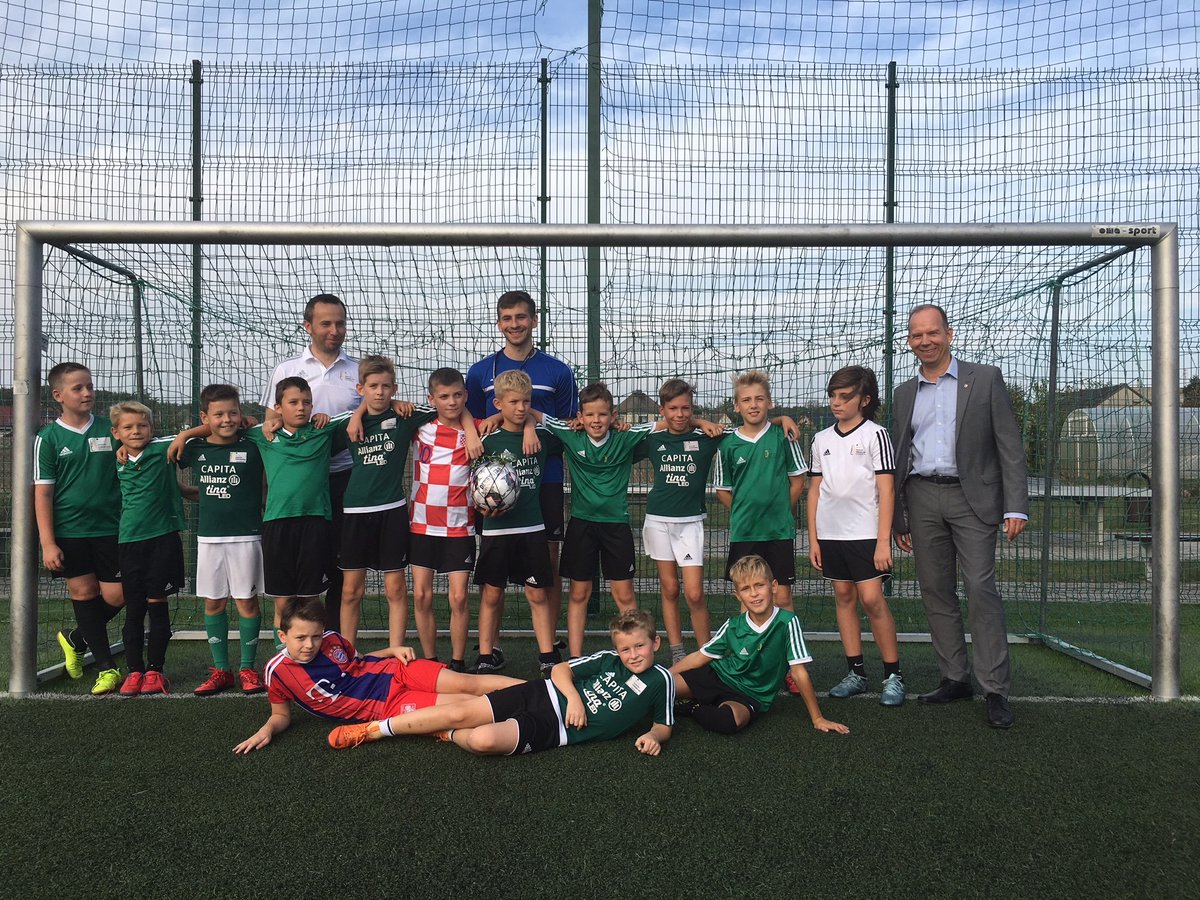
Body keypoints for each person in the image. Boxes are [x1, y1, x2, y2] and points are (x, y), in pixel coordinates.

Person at [892, 303, 1029, 729]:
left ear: (948, 334)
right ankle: (955, 677)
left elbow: (1009, 444)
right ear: (909, 342)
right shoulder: (903, 393)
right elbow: (899, 457)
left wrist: (1016, 504)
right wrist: (900, 515)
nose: (925, 341)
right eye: (917, 335)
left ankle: (995, 689)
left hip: (974, 501)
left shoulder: (984, 378)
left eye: (932, 333)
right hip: (922, 498)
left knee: (981, 590)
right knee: (935, 591)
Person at [327, 608, 674, 758]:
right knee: (462, 711)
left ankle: (442, 734)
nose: (632, 655)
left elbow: (663, 725)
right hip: (544, 694)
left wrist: (652, 736)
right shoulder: (608, 660)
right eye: (626, 648)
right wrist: (576, 699)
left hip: (558, 731)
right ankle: (373, 730)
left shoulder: (662, 681)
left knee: (481, 739)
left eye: (640, 646)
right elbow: (560, 671)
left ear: (655, 643)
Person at [232, 597, 521, 753]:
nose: (310, 645)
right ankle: (526, 717)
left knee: (468, 683)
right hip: (386, 707)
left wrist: (392, 650)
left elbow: (360, 661)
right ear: (283, 636)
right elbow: (281, 715)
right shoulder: (277, 672)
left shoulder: (333, 639)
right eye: (301, 638)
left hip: (397, 670)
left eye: (316, 636)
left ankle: (541, 690)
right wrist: (266, 730)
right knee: (462, 705)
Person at [466, 290, 578, 658]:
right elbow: (470, 418)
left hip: (541, 476)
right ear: (499, 323)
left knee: (547, 558)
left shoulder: (557, 371)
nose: (514, 324)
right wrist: (483, 424)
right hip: (493, 482)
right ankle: (491, 645)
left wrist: (531, 422)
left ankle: (550, 638)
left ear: (533, 320)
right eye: (507, 318)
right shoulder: (481, 371)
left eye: (521, 317)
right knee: (494, 561)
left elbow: (567, 426)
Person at [535, 383, 658, 658]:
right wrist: (530, 427)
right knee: (579, 594)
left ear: (613, 416)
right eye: (590, 415)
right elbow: (534, 414)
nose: (596, 421)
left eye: (602, 415)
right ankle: (576, 659)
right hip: (582, 525)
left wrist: (698, 420)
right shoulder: (570, 433)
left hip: (616, 526)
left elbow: (668, 424)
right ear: (580, 416)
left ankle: (635, 652)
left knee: (624, 596)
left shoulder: (625, 437)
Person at [806, 366, 904, 707]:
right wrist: (814, 539)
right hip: (831, 535)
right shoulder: (821, 439)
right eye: (833, 395)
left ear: (865, 399)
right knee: (844, 597)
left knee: (873, 600)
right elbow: (815, 491)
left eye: (845, 396)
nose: (836, 402)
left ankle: (893, 675)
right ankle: (856, 673)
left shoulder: (876, 435)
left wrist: (882, 540)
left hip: (866, 534)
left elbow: (886, 490)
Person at [261, 294, 359, 630]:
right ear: (308, 326)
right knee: (291, 583)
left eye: (340, 323)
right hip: (297, 491)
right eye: (326, 323)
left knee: (336, 570)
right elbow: (270, 424)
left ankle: (328, 643)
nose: (335, 330)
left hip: (345, 480)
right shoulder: (288, 370)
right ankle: (292, 645)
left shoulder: (357, 370)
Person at [671, 554, 848, 736]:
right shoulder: (734, 625)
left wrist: (817, 718)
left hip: (749, 695)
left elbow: (798, 672)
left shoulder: (787, 622)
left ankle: (693, 708)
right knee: (660, 688)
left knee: (729, 722)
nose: (754, 593)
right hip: (717, 676)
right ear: (738, 595)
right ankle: (688, 697)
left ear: (773, 586)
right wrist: (664, 675)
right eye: (746, 589)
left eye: (759, 585)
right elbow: (700, 657)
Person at [34, 362, 125, 695]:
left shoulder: (109, 428)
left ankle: (76, 638)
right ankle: (106, 668)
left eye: (90, 386)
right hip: (70, 532)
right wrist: (48, 543)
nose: (87, 393)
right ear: (58, 395)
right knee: (84, 594)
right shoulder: (48, 438)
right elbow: (43, 492)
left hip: (112, 527)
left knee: (119, 594)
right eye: (78, 388)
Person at [334, 355, 437, 648]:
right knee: (351, 591)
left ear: (394, 388)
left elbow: (445, 408)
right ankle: (347, 654)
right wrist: (357, 414)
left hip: (391, 511)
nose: (379, 392)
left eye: (386, 387)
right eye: (373, 386)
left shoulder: (405, 416)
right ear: (360, 388)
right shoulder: (347, 423)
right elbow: (311, 432)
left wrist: (396, 405)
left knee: (395, 589)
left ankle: (396, 652)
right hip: (354, 512)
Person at [176, 384, 268, 696]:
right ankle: (221, 670)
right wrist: (185, 436)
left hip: (246, 536)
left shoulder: (253, 443)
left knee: (246, 601)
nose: (226, 419)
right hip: (209, 539)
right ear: (205, 417)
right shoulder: (195, 448)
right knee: (214, 603)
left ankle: (247, 668)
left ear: (241, 414)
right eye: (218, 414)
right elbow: (156, 457)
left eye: (233, 412)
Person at [472, 370, 564, 678]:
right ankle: (486, 655)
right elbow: (475, 482)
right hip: (497, 530)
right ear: (498, 403)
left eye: (526, 401)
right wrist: (483, 505)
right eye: (513, 402)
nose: (521, 407)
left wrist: (530, 425)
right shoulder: (488, 440)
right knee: (492, 593)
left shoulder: (541, 437)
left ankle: (547, 654)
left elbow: (566, 428)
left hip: (532, 528)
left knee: (537, 594)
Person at [635, 378, 725, 663]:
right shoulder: (653, 438)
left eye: (686, 408)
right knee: (670, 588)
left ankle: (707, 653)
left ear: (692, 408)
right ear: (662, 409)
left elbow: (749, 430)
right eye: (672, 408)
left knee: (695, 593)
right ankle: (677, 652)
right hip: (658, 520)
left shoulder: (707, 438)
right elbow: (623, 435)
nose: (679, 414)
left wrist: (783, 418)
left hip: (690, 523)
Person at [712, 371, 807, 613]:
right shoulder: (728, 445)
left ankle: (788, 650)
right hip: (745, 532)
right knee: (748, 597)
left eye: (759, 399)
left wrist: (781, 510)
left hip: (779, 531)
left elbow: (798, 481)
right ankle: (750, 651)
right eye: (746, 400)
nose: (753, 405)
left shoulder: (783, 437)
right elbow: (722, 490)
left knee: (782, 597)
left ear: (770, 402)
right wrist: (746, 510)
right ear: (736, 406)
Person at [110, 401, 187, 697]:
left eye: (142, 425)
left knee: (157, 605)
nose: (136, 431)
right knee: (134, 609)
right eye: (128, 427)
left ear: (152, 429)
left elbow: (202, 431)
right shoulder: (117, 459)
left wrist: (182, 436)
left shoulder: (162, 448)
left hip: (162, 539)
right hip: (129, 542)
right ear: (117, 433)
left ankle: (155, 670)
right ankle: (134, 671)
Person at [408, 368, 484, 671]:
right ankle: (430, 661)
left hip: (459, 528)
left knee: (459, 597)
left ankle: (457, 662)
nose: (451, 402)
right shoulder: (419, 426)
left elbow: (513, 417)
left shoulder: (477, 429)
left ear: (465, 396)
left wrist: (472, 428)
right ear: (431, 399)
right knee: (422, 596)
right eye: (443, 396)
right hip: (421, 525)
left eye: (457, 395)